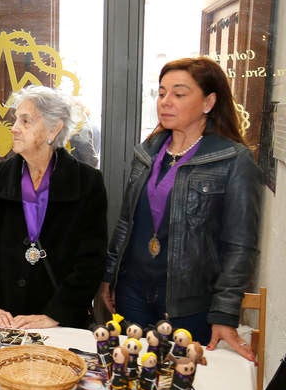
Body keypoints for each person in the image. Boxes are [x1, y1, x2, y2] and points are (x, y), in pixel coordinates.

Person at [100, 56, 261, 361]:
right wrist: (110, 276)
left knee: (180, 388)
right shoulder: (147, 153)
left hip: (188, 305)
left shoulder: (233, 160)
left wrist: (225, 312)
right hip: (132, 293)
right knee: (130, 380)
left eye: (179, 93)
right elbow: (126, 222)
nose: (166, 102)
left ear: (208, 102)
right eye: (161, 93)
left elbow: (240, 247)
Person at [0, 85, 108, 329]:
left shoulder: (87, 183)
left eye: (25, 121)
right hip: (0, 319)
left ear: (54, 128)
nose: (14, 128)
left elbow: (91, 260)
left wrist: (56, 314)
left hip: (57, 323)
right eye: (16, 119)